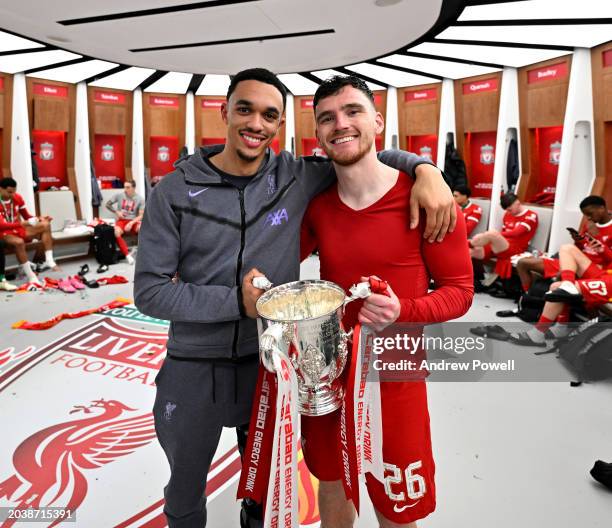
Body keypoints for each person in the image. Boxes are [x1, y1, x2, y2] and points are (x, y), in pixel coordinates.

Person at [134, 68, 455, 528]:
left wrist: (426, 169)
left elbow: (360, 148)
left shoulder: (296, 176)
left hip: (274, 365)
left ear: (280, 125)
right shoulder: (174, 191)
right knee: (185, 490)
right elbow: (149, 291)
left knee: (268, 490)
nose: (256, 123)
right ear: (223, 112)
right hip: (193, 366)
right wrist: (237, 304)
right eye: (244, 109)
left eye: (270, 114)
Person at [291, 75, 474, 527]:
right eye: (328, 118)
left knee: (396, 506)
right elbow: (274, 263)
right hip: (330, 372)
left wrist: (404, 311)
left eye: (353, 111)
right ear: (318, 133)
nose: (341, 124)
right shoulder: (318, 209)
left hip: (395, 377)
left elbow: (460, 291)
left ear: (377, 120)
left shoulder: (430, 202)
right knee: (331, 483)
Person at [0, 177, 58, 285]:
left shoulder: (17, 197)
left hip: (17, 229)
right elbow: (2, 225)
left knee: (45, 225)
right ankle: (31, 276)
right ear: (1, 189)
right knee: (19, 242)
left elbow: (27, 216)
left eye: (14, 191)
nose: (12, 194)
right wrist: (24, 223)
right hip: (3, 232)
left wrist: (38, 218)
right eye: (9, 192)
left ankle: (49, 261)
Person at [470, 192, 538, 280]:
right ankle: (478, 280)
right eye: (507, 210)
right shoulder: (507, 214)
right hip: (503, 245)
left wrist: (489, 235)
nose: (509, 212)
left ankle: (470, 243)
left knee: (492, 233)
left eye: (510, 209)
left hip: (517, 248)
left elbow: (516, 233)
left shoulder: (531, 216)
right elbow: (505, 232)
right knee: (470, 252)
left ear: (517, 203)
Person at [105, 180, 144, 265]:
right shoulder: (119, 195)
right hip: (122, 221)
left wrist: (131, 223)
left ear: (134, 188)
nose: (125, 189)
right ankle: (127, 256)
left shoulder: (140, 199)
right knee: (116, 231)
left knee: (142, 229)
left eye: (128, 187)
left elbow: (141, 215)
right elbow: (107, 204)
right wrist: (117, 212)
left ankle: (141, 252)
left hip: (133, 221)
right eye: (125, 187)